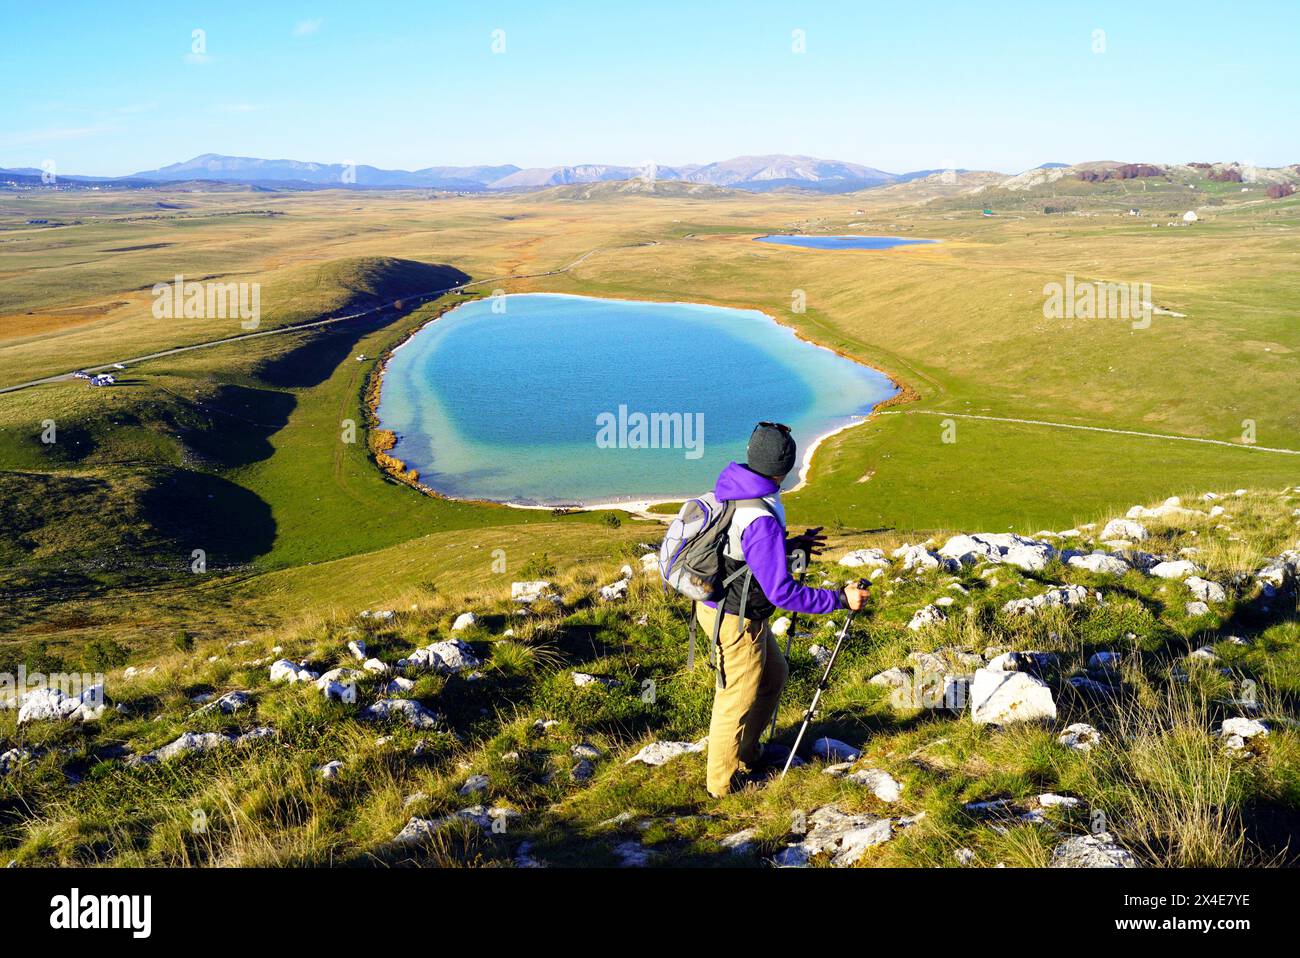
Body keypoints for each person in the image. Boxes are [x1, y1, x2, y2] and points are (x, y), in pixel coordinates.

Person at [697, 421, 869, 797]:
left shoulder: (736, 486)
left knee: (773, 676)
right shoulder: (760, 516)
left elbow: (743, 550)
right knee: (736, 700)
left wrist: (790, 546)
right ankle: (722, 787)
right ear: (784, 467)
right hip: (737, 620)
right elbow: (782, 593)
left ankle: (750, 752)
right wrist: (839, 599)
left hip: (725, 609)